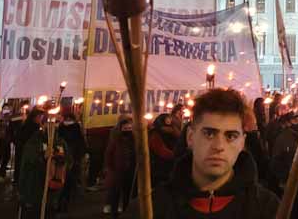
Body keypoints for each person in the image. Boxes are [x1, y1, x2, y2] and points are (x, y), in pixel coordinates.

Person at [155, 88, 279, 218]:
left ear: (242, 143)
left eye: (230, 136)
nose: (219, 146)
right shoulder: (153, 208)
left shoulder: (268, 209)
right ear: (190, 137)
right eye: (209, 134)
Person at [18, 110, 72, 219]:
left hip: (53, 188)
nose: (52, 125)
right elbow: (28, 161)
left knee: (50, 212)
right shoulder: (34, 141)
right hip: (35, 188)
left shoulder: (60, 142)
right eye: (48, 122)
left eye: (55, 122)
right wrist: (42, 157)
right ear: (42, 124)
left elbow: (69, 161)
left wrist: (60, 160)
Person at [103, 115, 136, 217]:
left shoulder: (134, 140)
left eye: (129, 128)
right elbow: (109, 153)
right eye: (125, 128)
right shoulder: (116, 140)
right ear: (121, 129)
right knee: (115, 193)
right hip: (117, 170)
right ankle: (114, 212)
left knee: (127, 192)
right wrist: (110, 167)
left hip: (130, 170)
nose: (128, 130)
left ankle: (126, 211)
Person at [57, 110, 87, 209]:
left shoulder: (73, 128)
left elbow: (80, 142)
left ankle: (65, 199)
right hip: (65, 157)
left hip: (72, 156)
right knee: (67, 178)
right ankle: (65, 199)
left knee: (68, 178)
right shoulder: (62, 128)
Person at [149, 113, 179, 186]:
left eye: (170, 119)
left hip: (171, 165)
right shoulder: (155, 133)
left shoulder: (174, 132)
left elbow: (179, 143)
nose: (169, 120)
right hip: (159, 167)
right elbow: (160, 150)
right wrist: (176, 155)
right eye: (167, 119)